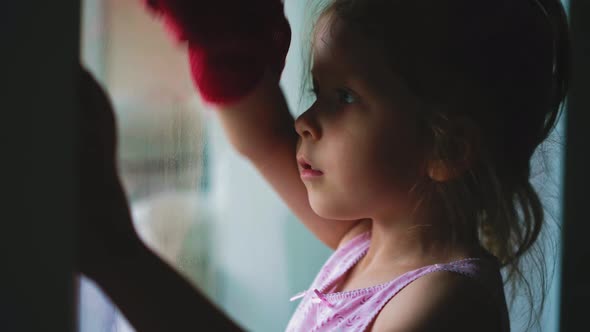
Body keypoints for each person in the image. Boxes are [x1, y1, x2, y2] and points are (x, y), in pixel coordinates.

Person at [77, 0, 571, 331]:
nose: (306, 121)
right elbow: (263, 134)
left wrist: (119, 255)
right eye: (318, 92)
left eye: (345, 97)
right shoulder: (366, 242)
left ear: (447, 148)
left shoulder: (445, 304)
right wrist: (220, 38)